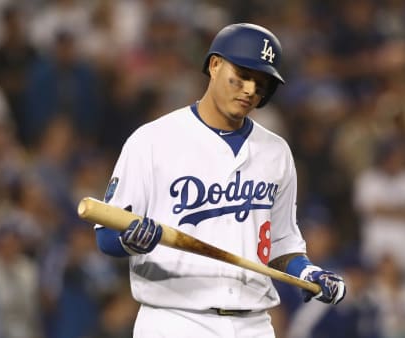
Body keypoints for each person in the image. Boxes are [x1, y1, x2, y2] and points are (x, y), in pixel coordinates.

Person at [94, 23, 346, 338]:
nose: (250, 90)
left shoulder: (276, 151)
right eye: (241, 75)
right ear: (214, 65)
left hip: (253, 323)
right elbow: (106, 235)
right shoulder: (152, 141)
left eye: (261, 81)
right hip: (176, 320)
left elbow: (281, 243)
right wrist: (130, 239)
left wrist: (309, 272)